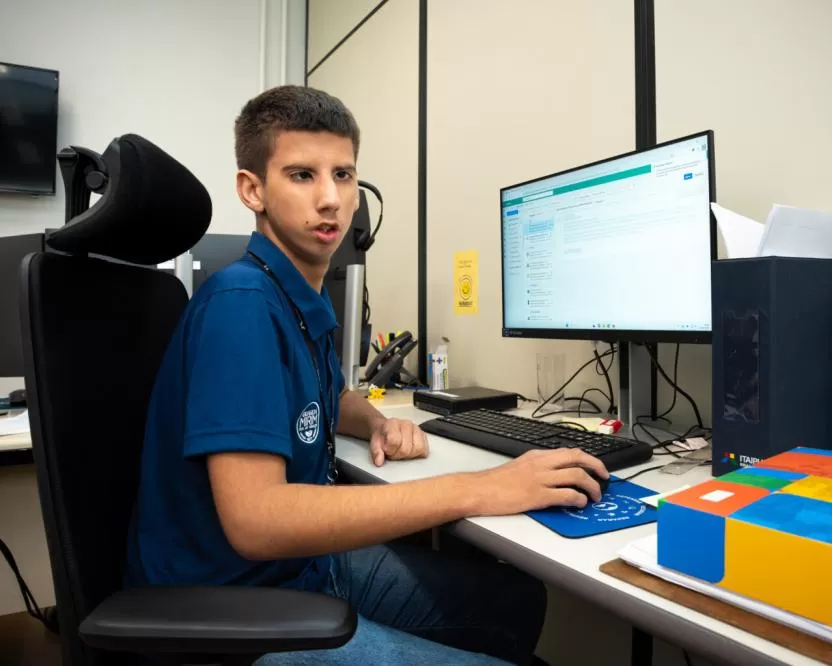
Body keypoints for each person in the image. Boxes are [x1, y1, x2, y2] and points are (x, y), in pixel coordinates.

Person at [124, 85, 609, 665]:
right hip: (230, 603)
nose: (330, 198)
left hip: (291, 572)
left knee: (515, 600)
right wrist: (481, 488)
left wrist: (376, 421)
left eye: (345, 174)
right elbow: (257, 520)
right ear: (252, 189)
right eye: (302, 175)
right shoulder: (242, 306)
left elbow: (330, 392)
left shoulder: (295, 297)